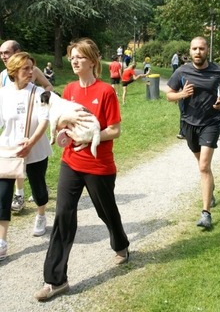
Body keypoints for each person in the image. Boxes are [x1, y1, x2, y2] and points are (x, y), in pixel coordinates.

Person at [34, 38, 129, 301]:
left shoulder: (106, 92)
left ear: (93, 61)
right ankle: (55, 280)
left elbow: (115, 130)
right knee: (63, 214)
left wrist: (88, 137)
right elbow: (64, 121)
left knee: (106, 211)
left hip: (99, 165)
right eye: (72, 57)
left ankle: (120, 244)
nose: (74, 61)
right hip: (71, 163)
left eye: (80, 57)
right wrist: (63, 129)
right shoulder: (70, 89)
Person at [166, 36, 220, 228]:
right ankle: (209, 187)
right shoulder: (182, 71)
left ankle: (206, 214)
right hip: (189, 123)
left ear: (207, 50)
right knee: (203, 164)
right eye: (194, 49)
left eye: (201, 49)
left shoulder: (218, 71)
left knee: (203, 166)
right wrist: (182, 95)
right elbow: (169, 95)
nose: (197, 52)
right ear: (190, 51)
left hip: (211, 122)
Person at [0, 52, 53, 261]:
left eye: (32, 68)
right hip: (9, 151)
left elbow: (44, 121)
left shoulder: (40, 92)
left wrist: (30, 143)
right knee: (3, 194)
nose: (31, 72)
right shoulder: (2, 93)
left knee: (38, 187)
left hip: (36, 149)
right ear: (14, 72)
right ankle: (2, 241)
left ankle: (41, 215)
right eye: (26, 69)